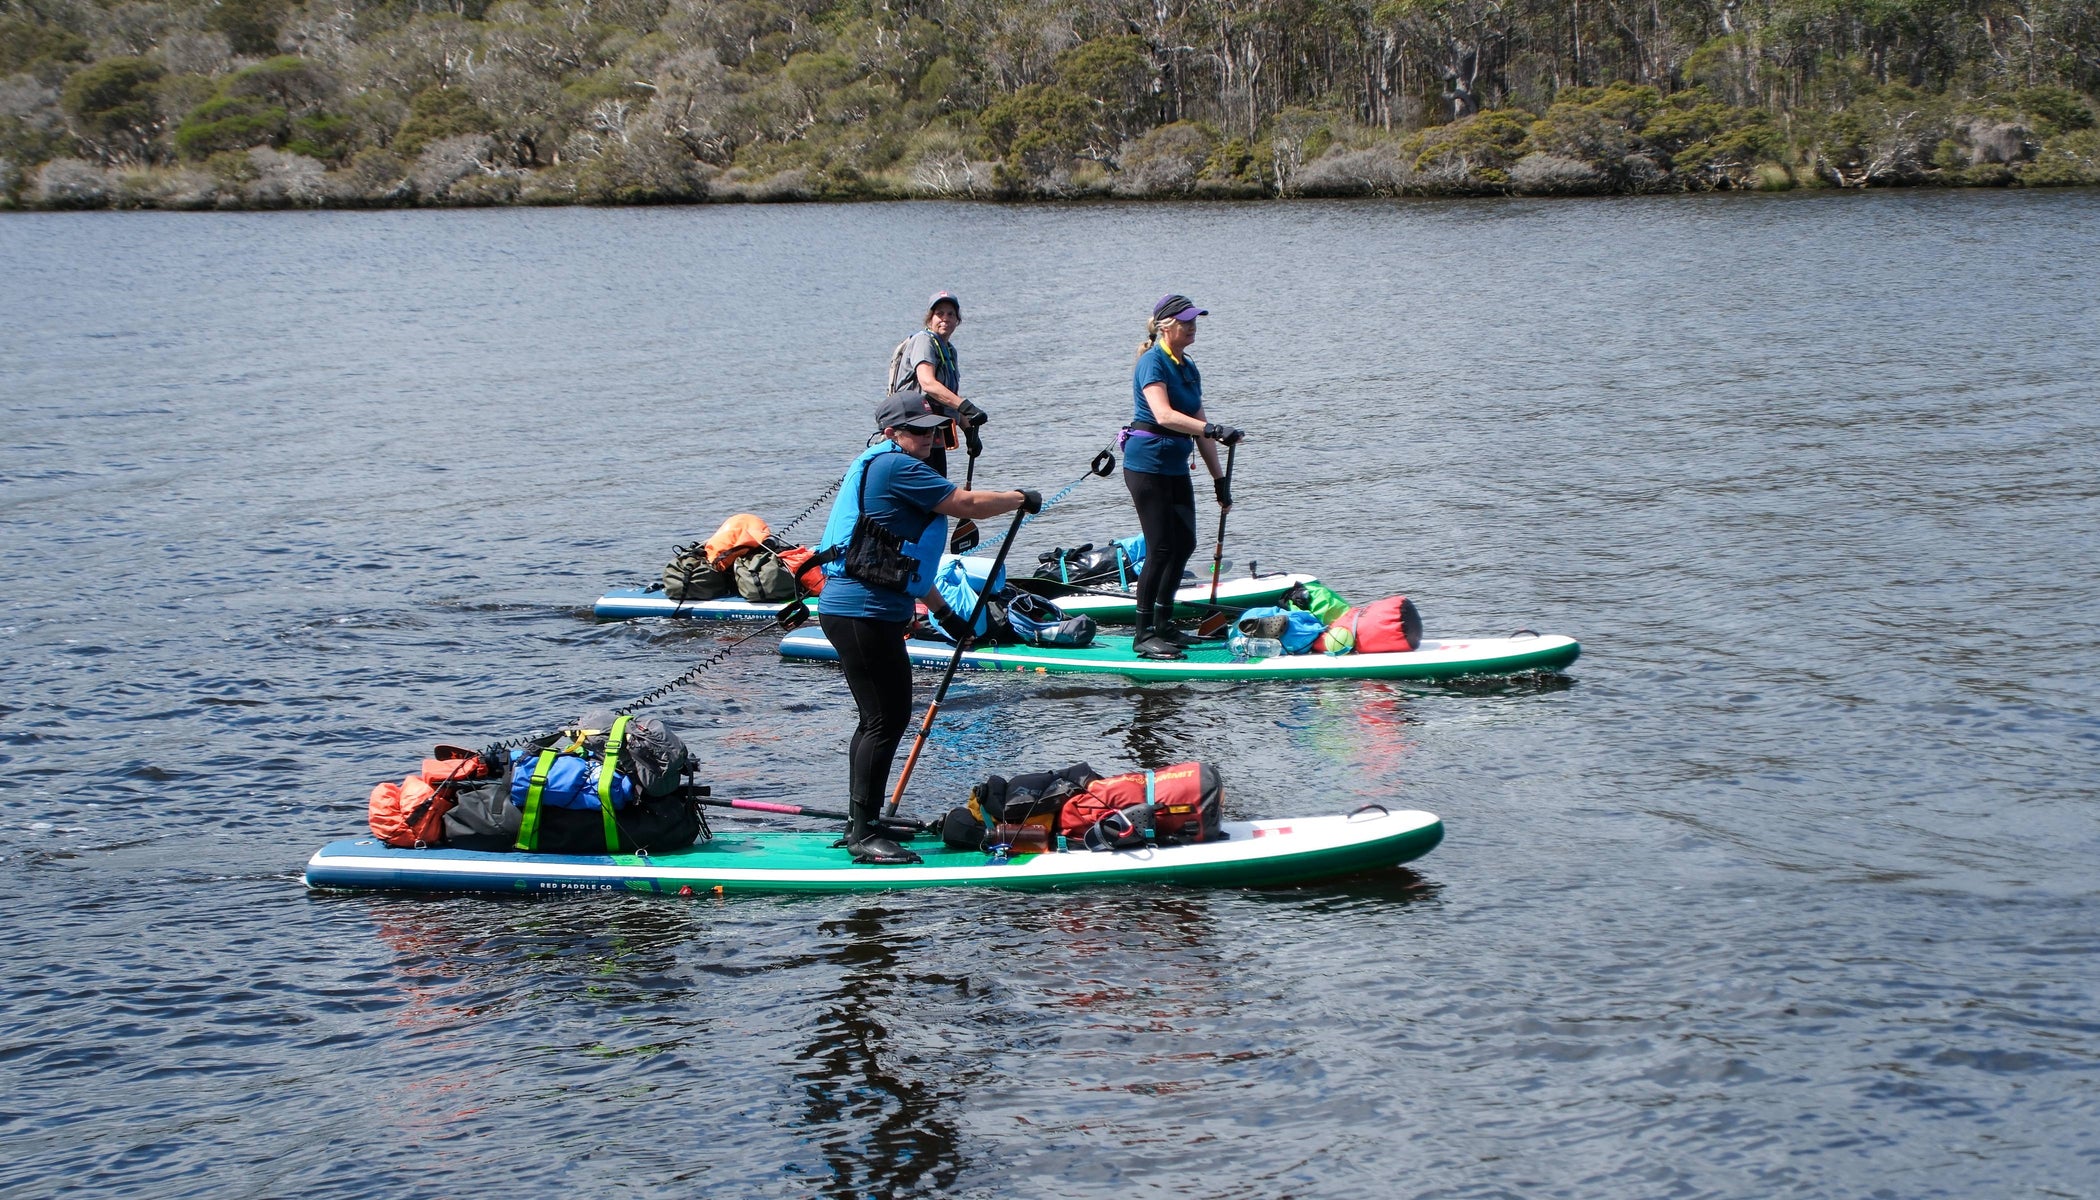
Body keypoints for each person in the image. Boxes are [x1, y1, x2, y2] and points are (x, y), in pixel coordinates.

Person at [815, 391, 1040, 864]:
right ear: (892, 433)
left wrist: (947, 615)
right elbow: (968, 503)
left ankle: (864, 821)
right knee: (886, 719)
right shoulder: (898, 467)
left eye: (934, 428)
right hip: (861, 613)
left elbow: (904, 567)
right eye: (917, 429)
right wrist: (1021, 497)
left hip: (862, 609)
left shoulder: (888, 466)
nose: (929, 436)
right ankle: (862, 835)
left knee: (877, 719)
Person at [1121, 294, 1242, 660]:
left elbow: (1202, 428)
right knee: (1160, 547)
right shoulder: (1152, 362)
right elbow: (1163, 415)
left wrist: (1219, 481)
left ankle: (1165, 625)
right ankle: (1143, 635)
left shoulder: (1188, 366)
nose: (1192, 325)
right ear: (1165, 326)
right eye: (1186, 320)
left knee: (1185, 543)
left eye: (1195, 319)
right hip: (1146, 465)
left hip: (1173, 466)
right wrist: (1213, 427)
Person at [887, 290, 989, 478]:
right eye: (939, 313)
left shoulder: (950, 351)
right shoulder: (924, 341)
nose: (945, 318)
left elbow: (946, 397)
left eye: (951, 314)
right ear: (930, 319)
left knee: (939, 496)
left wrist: (969, 432)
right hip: (914, 436)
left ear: (957, 320)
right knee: (928, 498)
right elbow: (928, 384)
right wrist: (966, 406)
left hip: (933, 437)